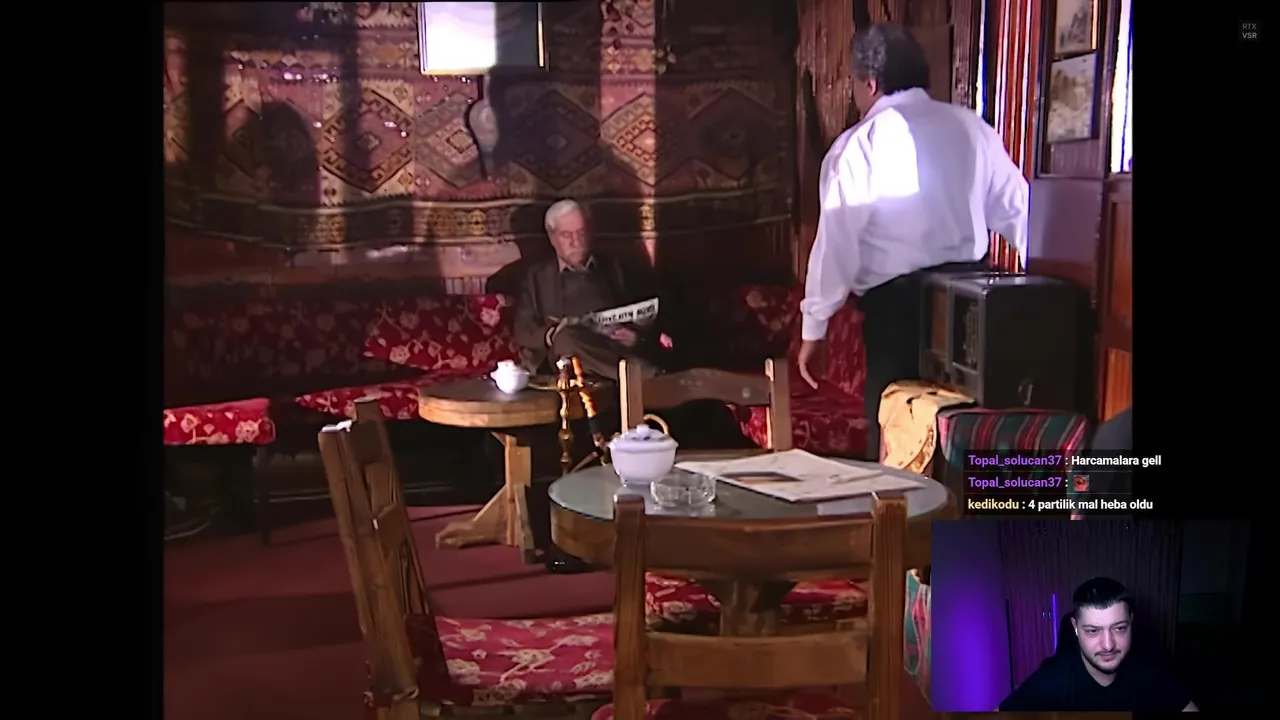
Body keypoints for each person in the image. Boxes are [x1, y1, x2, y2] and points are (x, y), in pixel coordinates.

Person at [795, 23, 1029, 460]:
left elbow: (836, 243)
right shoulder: (973, 129)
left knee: (897, 439)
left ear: (869, 83)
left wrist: (815, 328)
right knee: (966, 433)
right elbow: (1019, 212)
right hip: (974, 307)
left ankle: (896, 507)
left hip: (899, 313)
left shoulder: (859, 145)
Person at [514, 199, 671, 381]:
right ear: (552, 237)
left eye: (581, 233)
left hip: (612, 348)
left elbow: (646, 312)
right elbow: (523, 330)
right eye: (566, 235)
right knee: (566, 339)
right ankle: (651, 379)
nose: (576, 242)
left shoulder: (616, 267)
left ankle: (641, 377)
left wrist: (635, 337)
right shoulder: (537, 276)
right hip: (568, 354)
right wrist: (552, 334)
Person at [998, 577, 1198, 712]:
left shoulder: (1151, 670)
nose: (1108, 645)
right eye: (1093, 631)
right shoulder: (1053, 680)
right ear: (1075, 628)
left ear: (1131, 622)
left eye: (1119, 628)